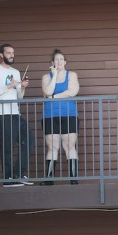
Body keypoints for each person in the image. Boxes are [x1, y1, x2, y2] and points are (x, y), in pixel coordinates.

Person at [0, 43, 33, 186]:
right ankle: (8, 179)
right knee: (7, 146)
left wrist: (22, 87)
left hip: (15, 113)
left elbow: (19, 97)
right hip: (3, 113)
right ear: (1, 55)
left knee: (28, 139)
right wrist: (8, 86)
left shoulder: (17, 72)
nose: (11, 55)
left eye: (13, 53)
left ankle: (19, 173)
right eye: (8, 53)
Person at [40, 49, 80, 185]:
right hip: (50, 115)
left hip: (69, 114)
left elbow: (73, 91)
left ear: (65, 62)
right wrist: (54, 74)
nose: (59, 62)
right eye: (56, 60)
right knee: (52, 147)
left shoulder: (72, 75)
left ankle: (73, 179)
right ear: (52, 63)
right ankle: (49, 179)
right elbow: (47, 91)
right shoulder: (46, 77)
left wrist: (54, 97)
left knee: (69, 146)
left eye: (61, 59)